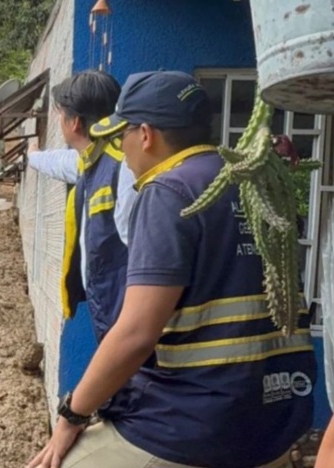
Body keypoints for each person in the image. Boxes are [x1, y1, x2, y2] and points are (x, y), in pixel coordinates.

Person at [27, 70, 317, 468]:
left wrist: (71, 416)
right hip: (278, 421)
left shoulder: (168, 191)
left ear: (145, 135)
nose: (122, 151)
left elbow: (135, 334)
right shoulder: (253, 179)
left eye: (122, 136)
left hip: (198, 426)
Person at [27, 70, 136, 343]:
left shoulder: (124, 167)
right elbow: (63, 163)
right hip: (109, 309)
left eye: (60, 113)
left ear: (74, 123)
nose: (58, 119)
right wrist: (33, 156)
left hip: (128, 316)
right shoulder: (91, 161)